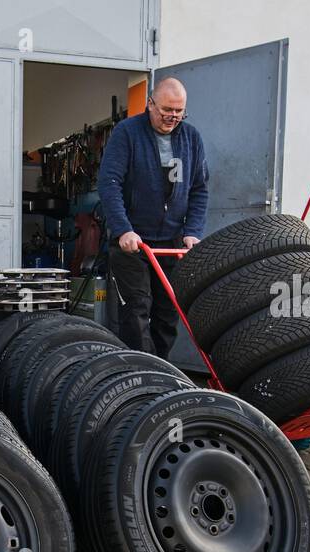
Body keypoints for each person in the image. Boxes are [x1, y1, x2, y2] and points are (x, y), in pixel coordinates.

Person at [96, 77, 209, 357]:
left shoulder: (191, 138)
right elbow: (109, 183)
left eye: (178, 112)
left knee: (168, 313)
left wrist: (192, 231)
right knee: (136, 308)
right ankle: (142, 372)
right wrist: (123, 229)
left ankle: (162, 372)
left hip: (170, 243)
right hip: (133, 242)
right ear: (150, 105)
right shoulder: (127, 133)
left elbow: (199, 189)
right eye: (166, 110)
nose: (172, 117)